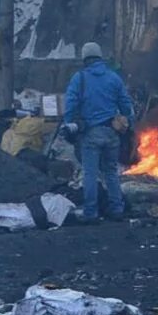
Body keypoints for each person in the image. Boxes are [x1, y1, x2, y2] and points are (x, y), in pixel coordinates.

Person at [59, 41, 137, 221]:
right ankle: (117, 209)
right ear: (100, 57)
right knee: (111, 172)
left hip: (90, 134)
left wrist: (69, 123)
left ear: (85, 59)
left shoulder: (80, 78)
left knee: (90, 173)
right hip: (112, 133)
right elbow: (126, 104)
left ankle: (91, 213)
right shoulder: (113, 78)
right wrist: (128, 122)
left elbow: (71, 103)